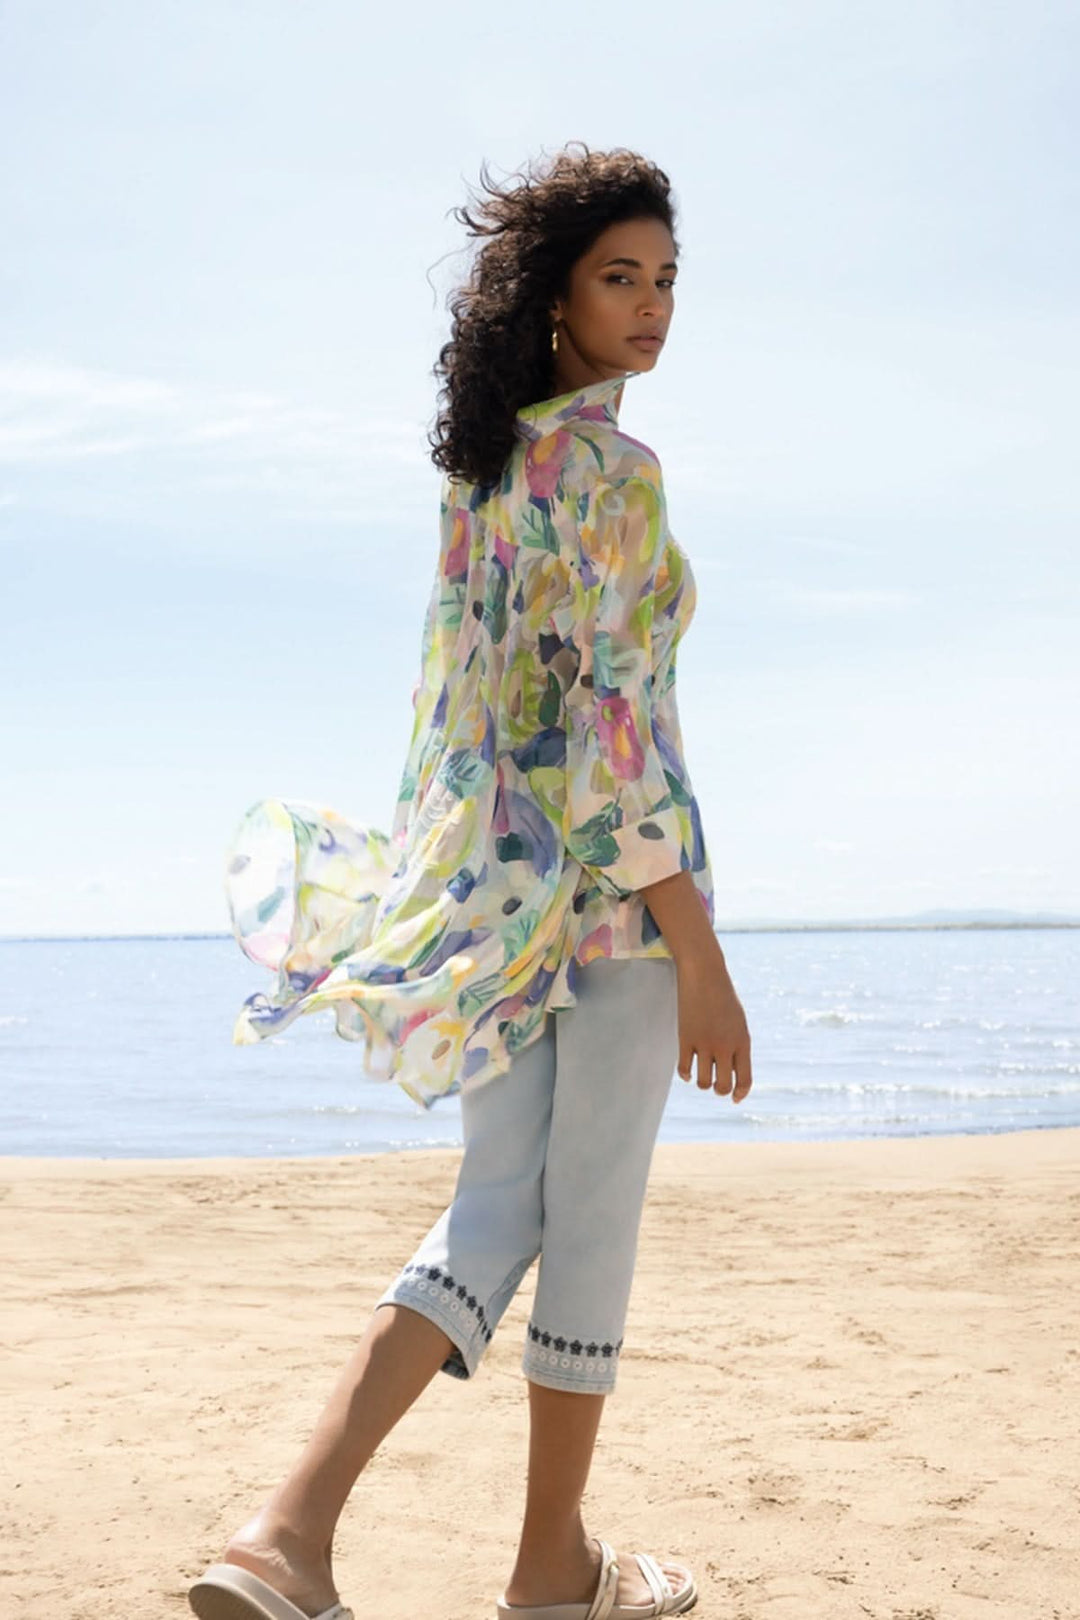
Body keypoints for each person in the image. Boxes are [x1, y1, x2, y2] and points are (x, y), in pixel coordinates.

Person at [189, 141, 753, 1620]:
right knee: (593, 1223)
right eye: (621, 278)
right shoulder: (613, 475)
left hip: (499, 906)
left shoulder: (483, 472)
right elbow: (603, 732)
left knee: (497, 1207)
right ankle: (546, 1574)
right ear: (558, 300)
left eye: (667, 281)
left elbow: (459, 714)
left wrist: (440, 886)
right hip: (615, 909)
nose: (652, 307)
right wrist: (695, 943)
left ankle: (286, 1535)